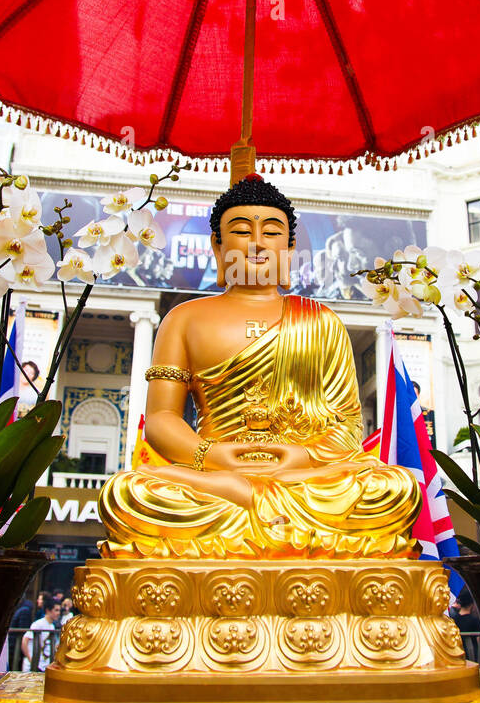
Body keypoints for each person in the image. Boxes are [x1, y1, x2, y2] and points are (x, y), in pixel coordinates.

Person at [99, 174, 421, 559]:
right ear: (218, 247)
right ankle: (266, 514)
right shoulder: (184, 319)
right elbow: (162, 419)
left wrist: (301, 457)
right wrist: (212, 457)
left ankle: (249, 504)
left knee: (394, 486)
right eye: (240, 230)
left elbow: (347, 425)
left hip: (302, 475)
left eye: (271, 232)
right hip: (215, 475)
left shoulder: (320, 321)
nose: (256, 243)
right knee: (128, 491)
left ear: (289, 247)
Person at [21, 598, 62, 672]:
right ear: (48, 610)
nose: (58, 613)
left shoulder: (52, 626)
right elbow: (25, 640)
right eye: (56, 610)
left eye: (59, 610)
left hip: (43, 665)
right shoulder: (38, 624)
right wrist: (30, 659)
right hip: (32, 666)